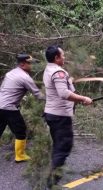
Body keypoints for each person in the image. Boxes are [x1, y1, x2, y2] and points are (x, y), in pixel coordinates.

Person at [43, 45, 92, 187]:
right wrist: (83, 98)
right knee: (63, 147)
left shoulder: (49, 69)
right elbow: (64, 94)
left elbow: (61, 88)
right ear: (56, 58)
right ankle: (51, 183)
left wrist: (68, 82)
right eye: (63, 55)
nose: (64, 57)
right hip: (60, 117)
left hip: (51, 114)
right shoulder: (59, 72)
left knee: (58, 144)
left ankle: (53, 172)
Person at [0, 53, 44, 162]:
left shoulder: (10, 73)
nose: (32, 66)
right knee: (21, 130)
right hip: (9, 108)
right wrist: (54, 97)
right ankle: (20, 156)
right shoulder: (25, 77)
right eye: (31, 64)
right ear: (23, 64)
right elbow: (38, 95)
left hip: (1, 105)